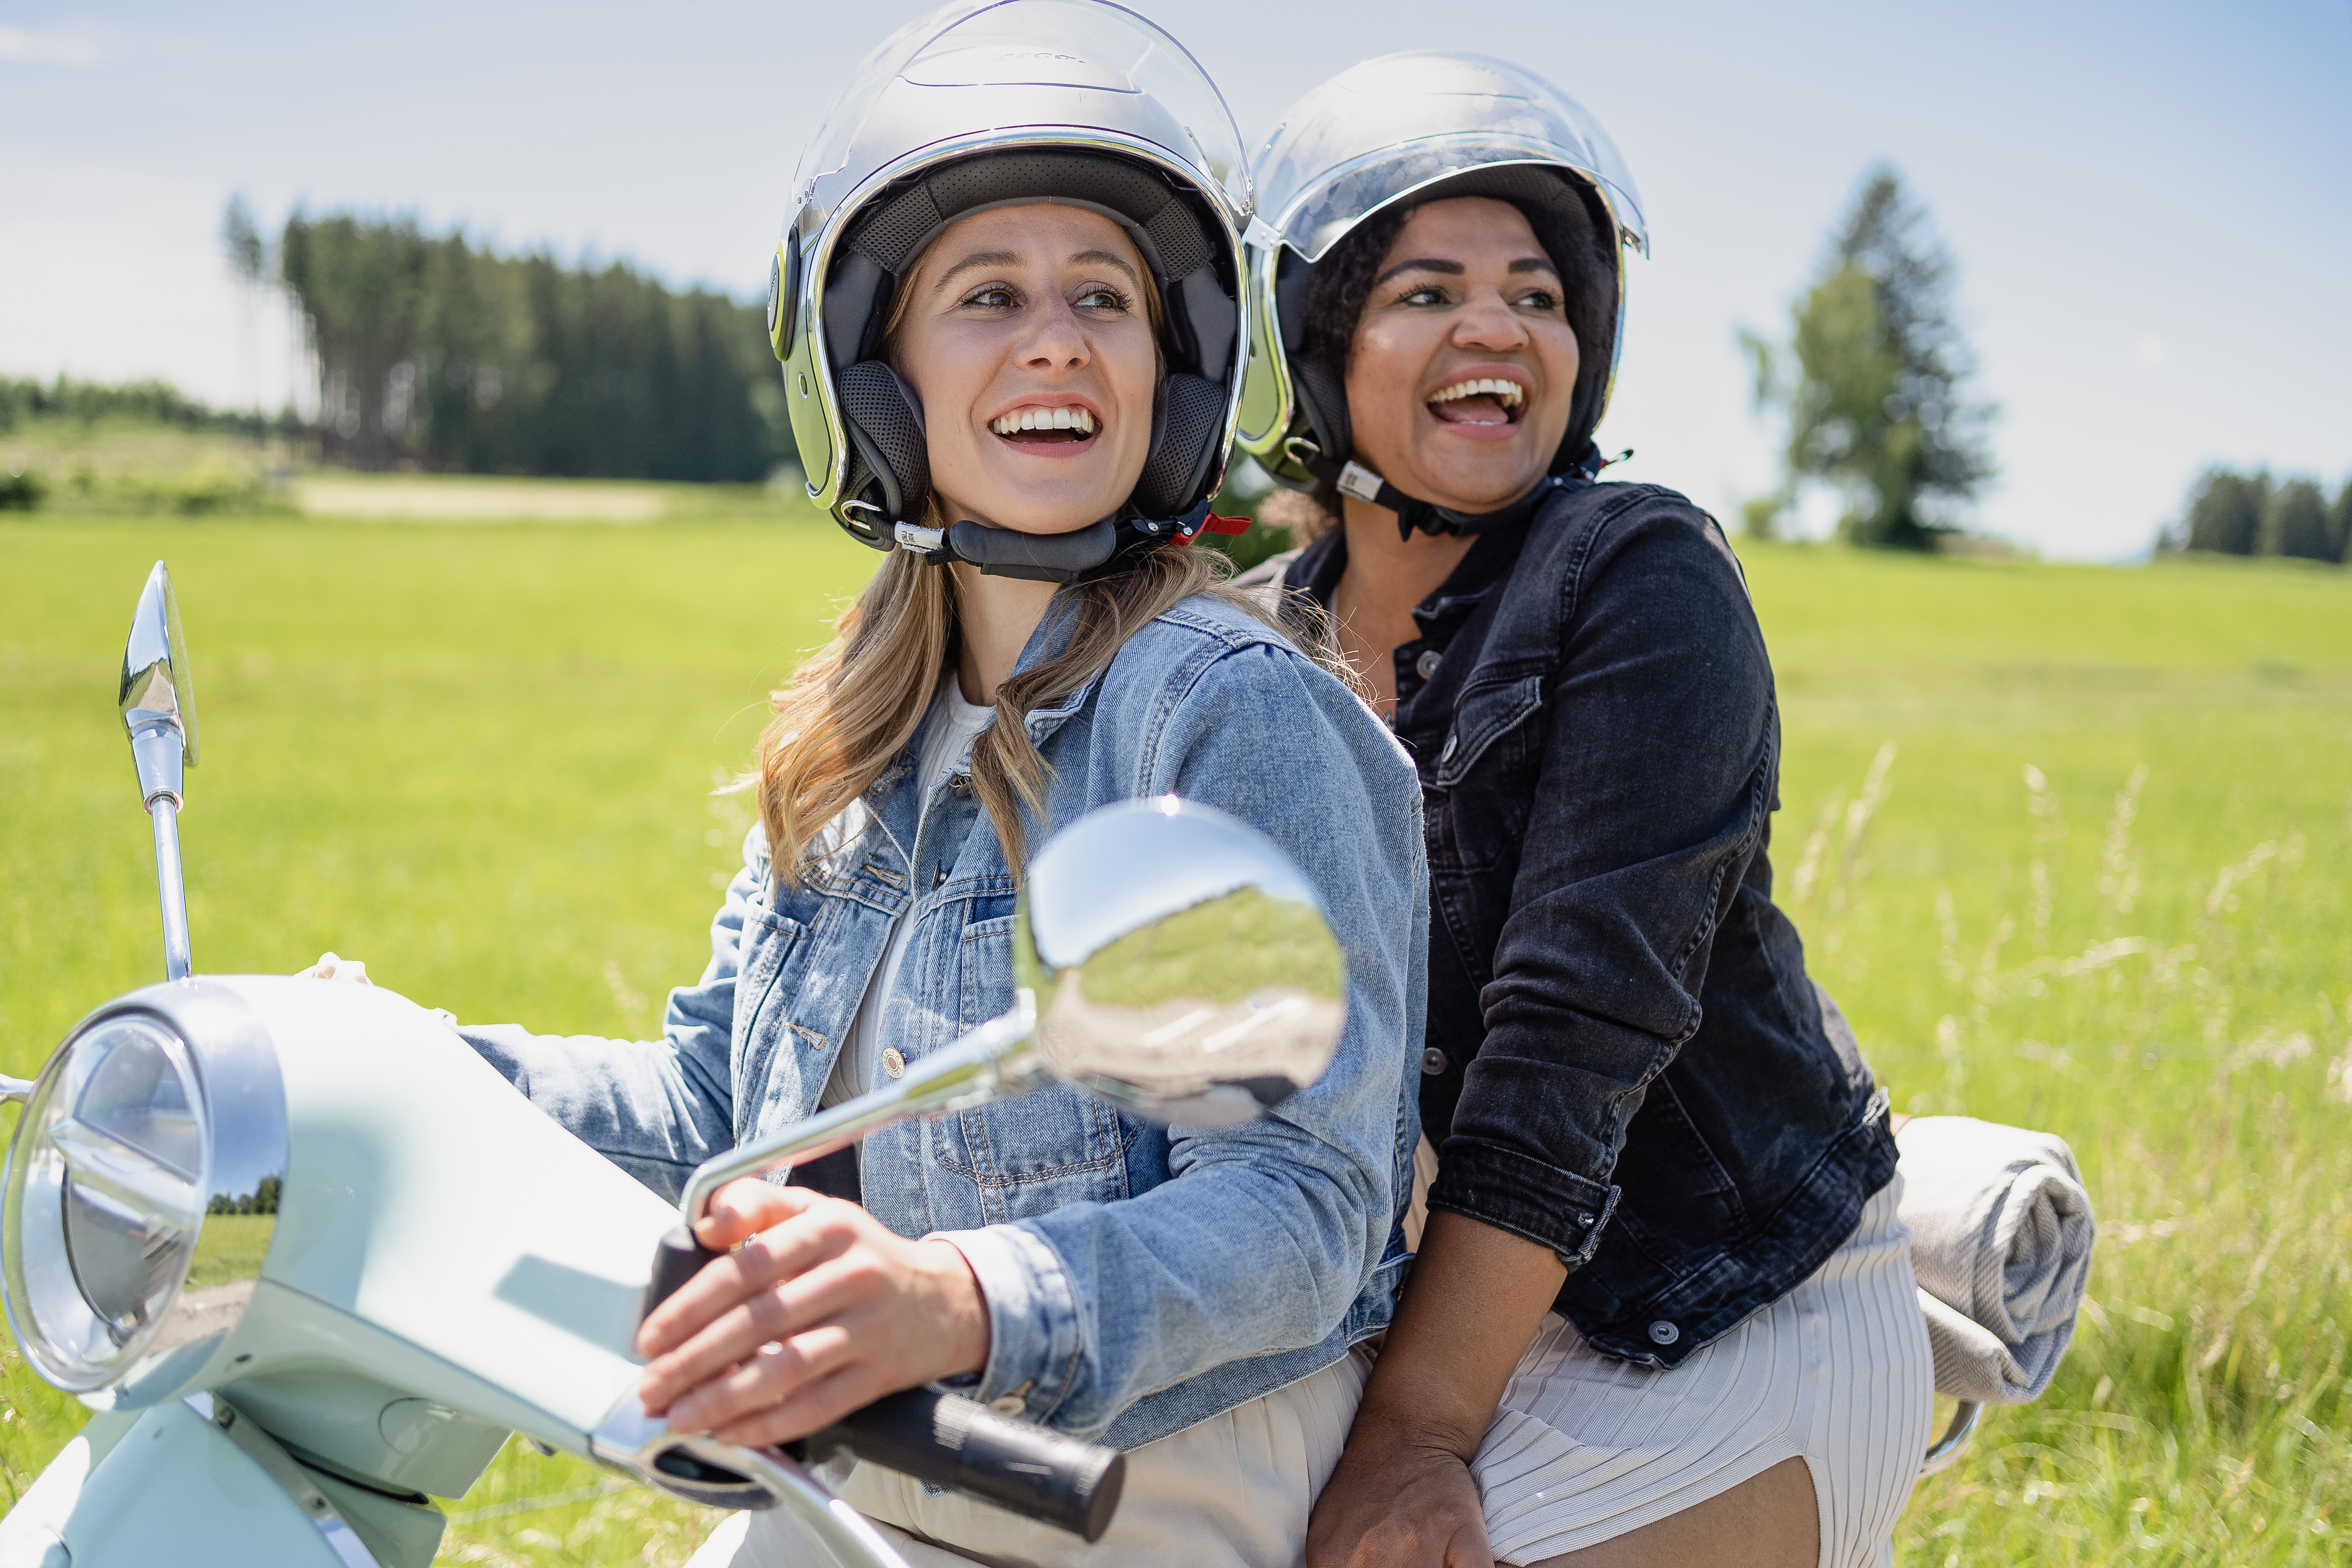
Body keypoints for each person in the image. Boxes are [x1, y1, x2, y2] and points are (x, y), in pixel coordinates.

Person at [391, 8, 1425, 1564]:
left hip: (1128, 1498)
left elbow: (1297, 1203)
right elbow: (709, 1123)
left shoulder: (1220, 712)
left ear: (1171, 368)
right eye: (988, 296)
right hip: (865, 1474)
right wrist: (406, 1067)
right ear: (883, 382)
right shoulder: (862, 735)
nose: (1058, 338)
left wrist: (958, 1300)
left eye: (1104, 298)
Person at [1231, 54, 1935, 1568]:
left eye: (1538, 295)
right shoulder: (1241, 645)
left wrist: (1415, 1442)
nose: (1496, 324)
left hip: (1712, 1307)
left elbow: (1575, 1041)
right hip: (1401, 1315)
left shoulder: (1638, 577)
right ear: (1315, 347)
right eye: (1426, 292)